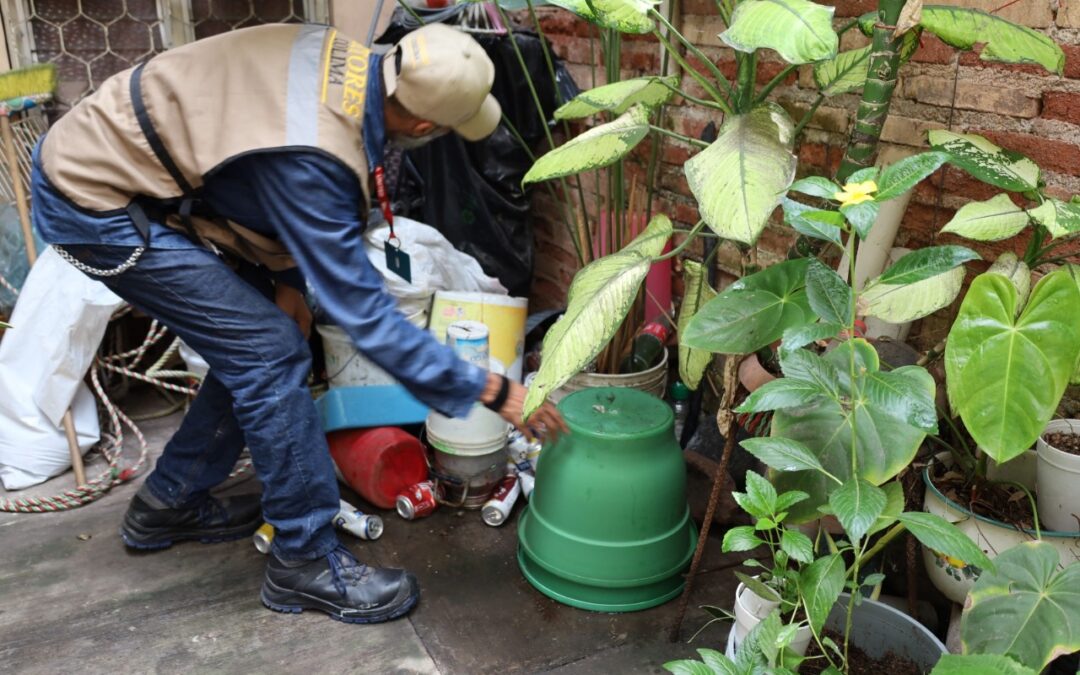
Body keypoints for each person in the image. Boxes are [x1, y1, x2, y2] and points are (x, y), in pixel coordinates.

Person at [30, 22, 566, 625]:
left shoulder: (349, 60)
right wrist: (494, 391)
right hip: (94, 199)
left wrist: (289, 281)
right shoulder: (319, 157)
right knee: (270, 352)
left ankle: (169, 502)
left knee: (265, 341)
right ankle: (304, 560)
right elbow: (368, 317)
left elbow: (258, 177)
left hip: (135, 162)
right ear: (423, 126)